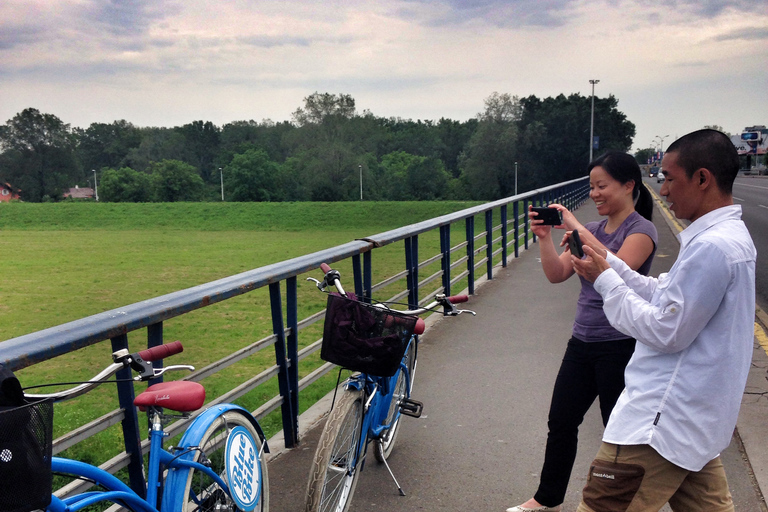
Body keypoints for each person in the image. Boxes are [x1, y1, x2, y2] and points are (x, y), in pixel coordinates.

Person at [571, 129, 756, 512]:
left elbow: (665, 330)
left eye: (670, 178)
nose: (663, 189)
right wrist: (611, 265)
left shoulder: (711, 247)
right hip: (695, 422)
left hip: (656, 423)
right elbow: (665, 293)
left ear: (702, 178)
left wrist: (603, 280)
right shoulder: (729, 238)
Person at [508, 151, 658, 512]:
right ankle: (546, 498)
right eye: (591, 187)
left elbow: (619, 268)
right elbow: (557, 274)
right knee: (561, 421)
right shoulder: (591, 230)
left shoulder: (642, 230)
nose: (595, 193)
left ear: (628, 186)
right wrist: (544, 237)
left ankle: (628, 502)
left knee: (618, 431)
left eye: (602, 186)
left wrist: (575, 226)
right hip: (582, 341)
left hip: (620, 345)